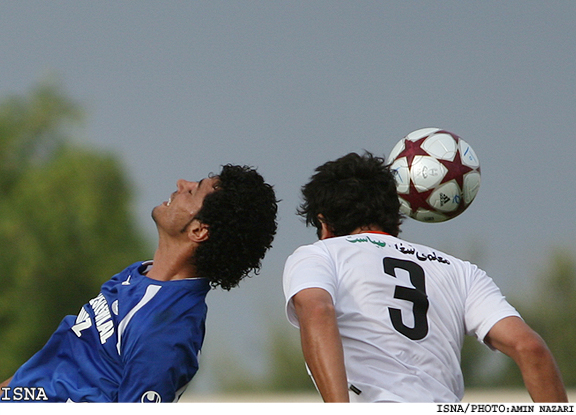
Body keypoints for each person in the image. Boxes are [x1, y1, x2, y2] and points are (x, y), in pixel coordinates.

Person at [282, 152, 567, 403]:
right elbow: (530, 348)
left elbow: (318, 310)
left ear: (324, 223)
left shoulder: (320, 254)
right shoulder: (460, 271)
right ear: (396, 216)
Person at [1, 164, 278, 403]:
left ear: (199, 230)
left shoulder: (167, 330)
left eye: (193, 191)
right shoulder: (137, 274)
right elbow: (57, 360)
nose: (182, 184)